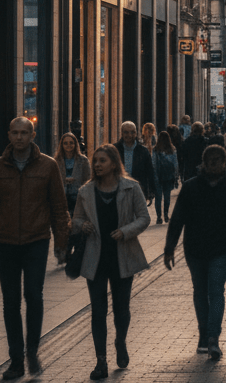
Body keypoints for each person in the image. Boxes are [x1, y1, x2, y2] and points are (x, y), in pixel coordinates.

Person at [0, 116, 70, 379]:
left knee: (34, 295)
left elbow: (59, 207)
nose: (19, 137)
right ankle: (16, 359)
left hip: (36, 240)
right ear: (9, 135)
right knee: (10, 302)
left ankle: (32, 350)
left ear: (33, 135)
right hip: (5, 242)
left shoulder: (48, 166)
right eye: (15, 133)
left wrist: (62, 242)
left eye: (24, 133)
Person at [72, 145, 151, 380]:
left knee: (121, 310)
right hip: (95, 258)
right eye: (95, 160)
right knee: (98, 311)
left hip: (122, 256)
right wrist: (81, 225)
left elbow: (144, 218)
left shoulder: (131, 187)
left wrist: (126, 231)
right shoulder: (86, 191)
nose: (97, 164)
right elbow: (76, 218)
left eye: (102, 161)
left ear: (114, 164)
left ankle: (120, 341)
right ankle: (100, 361)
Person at [165, 145, 226, 361]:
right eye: (211, 160)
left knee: (216, 291)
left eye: (219, 159)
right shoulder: (190, 187)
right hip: (195, 249)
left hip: (221, 249)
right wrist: (169, 248)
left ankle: (213, 338)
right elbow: (177, 218)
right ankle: (203, 333)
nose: (215, 163)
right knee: (200, 290)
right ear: (204, 163)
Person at [111, 121, 157, 204]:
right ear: (121, 133)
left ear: (136, 133)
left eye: (132, 132)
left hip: (138, 191)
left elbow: (150, 171)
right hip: (118, 191)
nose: (129, 135)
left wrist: (151, 191)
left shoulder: (143, 151)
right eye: (126, 132)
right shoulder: (114, 150)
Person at [55, 132, 91, 215]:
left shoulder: (83, 161)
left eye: (71, 143)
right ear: (62, 145)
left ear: (75, 144)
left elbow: (88, 180)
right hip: (62, 198)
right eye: (65, 143)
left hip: (78, 198)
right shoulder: (56, 161)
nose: (68, 145)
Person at [153, 130, 180, 224]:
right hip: (169, 177)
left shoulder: (156, 149)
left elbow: (154, 164)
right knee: (167, 197)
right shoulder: (172, 149)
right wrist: (176, 176)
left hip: (158, 176)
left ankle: (159, 217)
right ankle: (166, 214)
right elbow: (175, 164)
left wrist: (155, 176)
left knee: (158, 198)